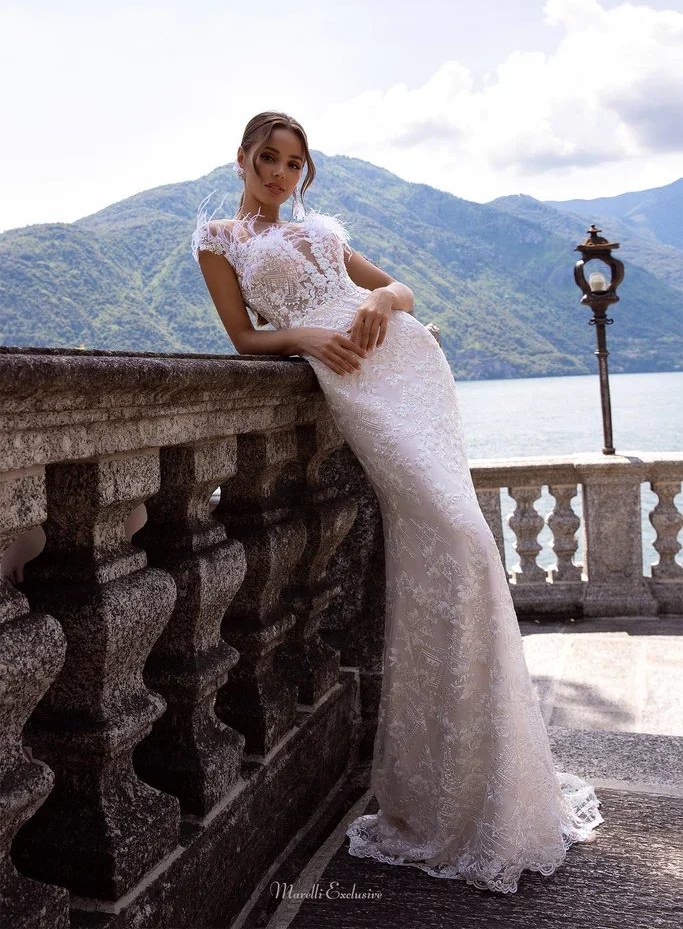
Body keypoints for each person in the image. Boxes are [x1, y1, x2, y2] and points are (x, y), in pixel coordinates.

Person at [191, 110, 604, 895]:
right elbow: (243, 337)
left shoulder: (319, 233)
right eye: (267, 158)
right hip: (353, 381)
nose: (279, 173)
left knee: (466, 545)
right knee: (451, 540)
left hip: (408, 367)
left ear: (304, 173)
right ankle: (445, 780)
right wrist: (307, 339)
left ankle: (493, 772)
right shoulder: (219, 240)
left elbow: (400, 289)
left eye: (293, 163)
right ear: (241, 159)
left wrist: (381, 305)